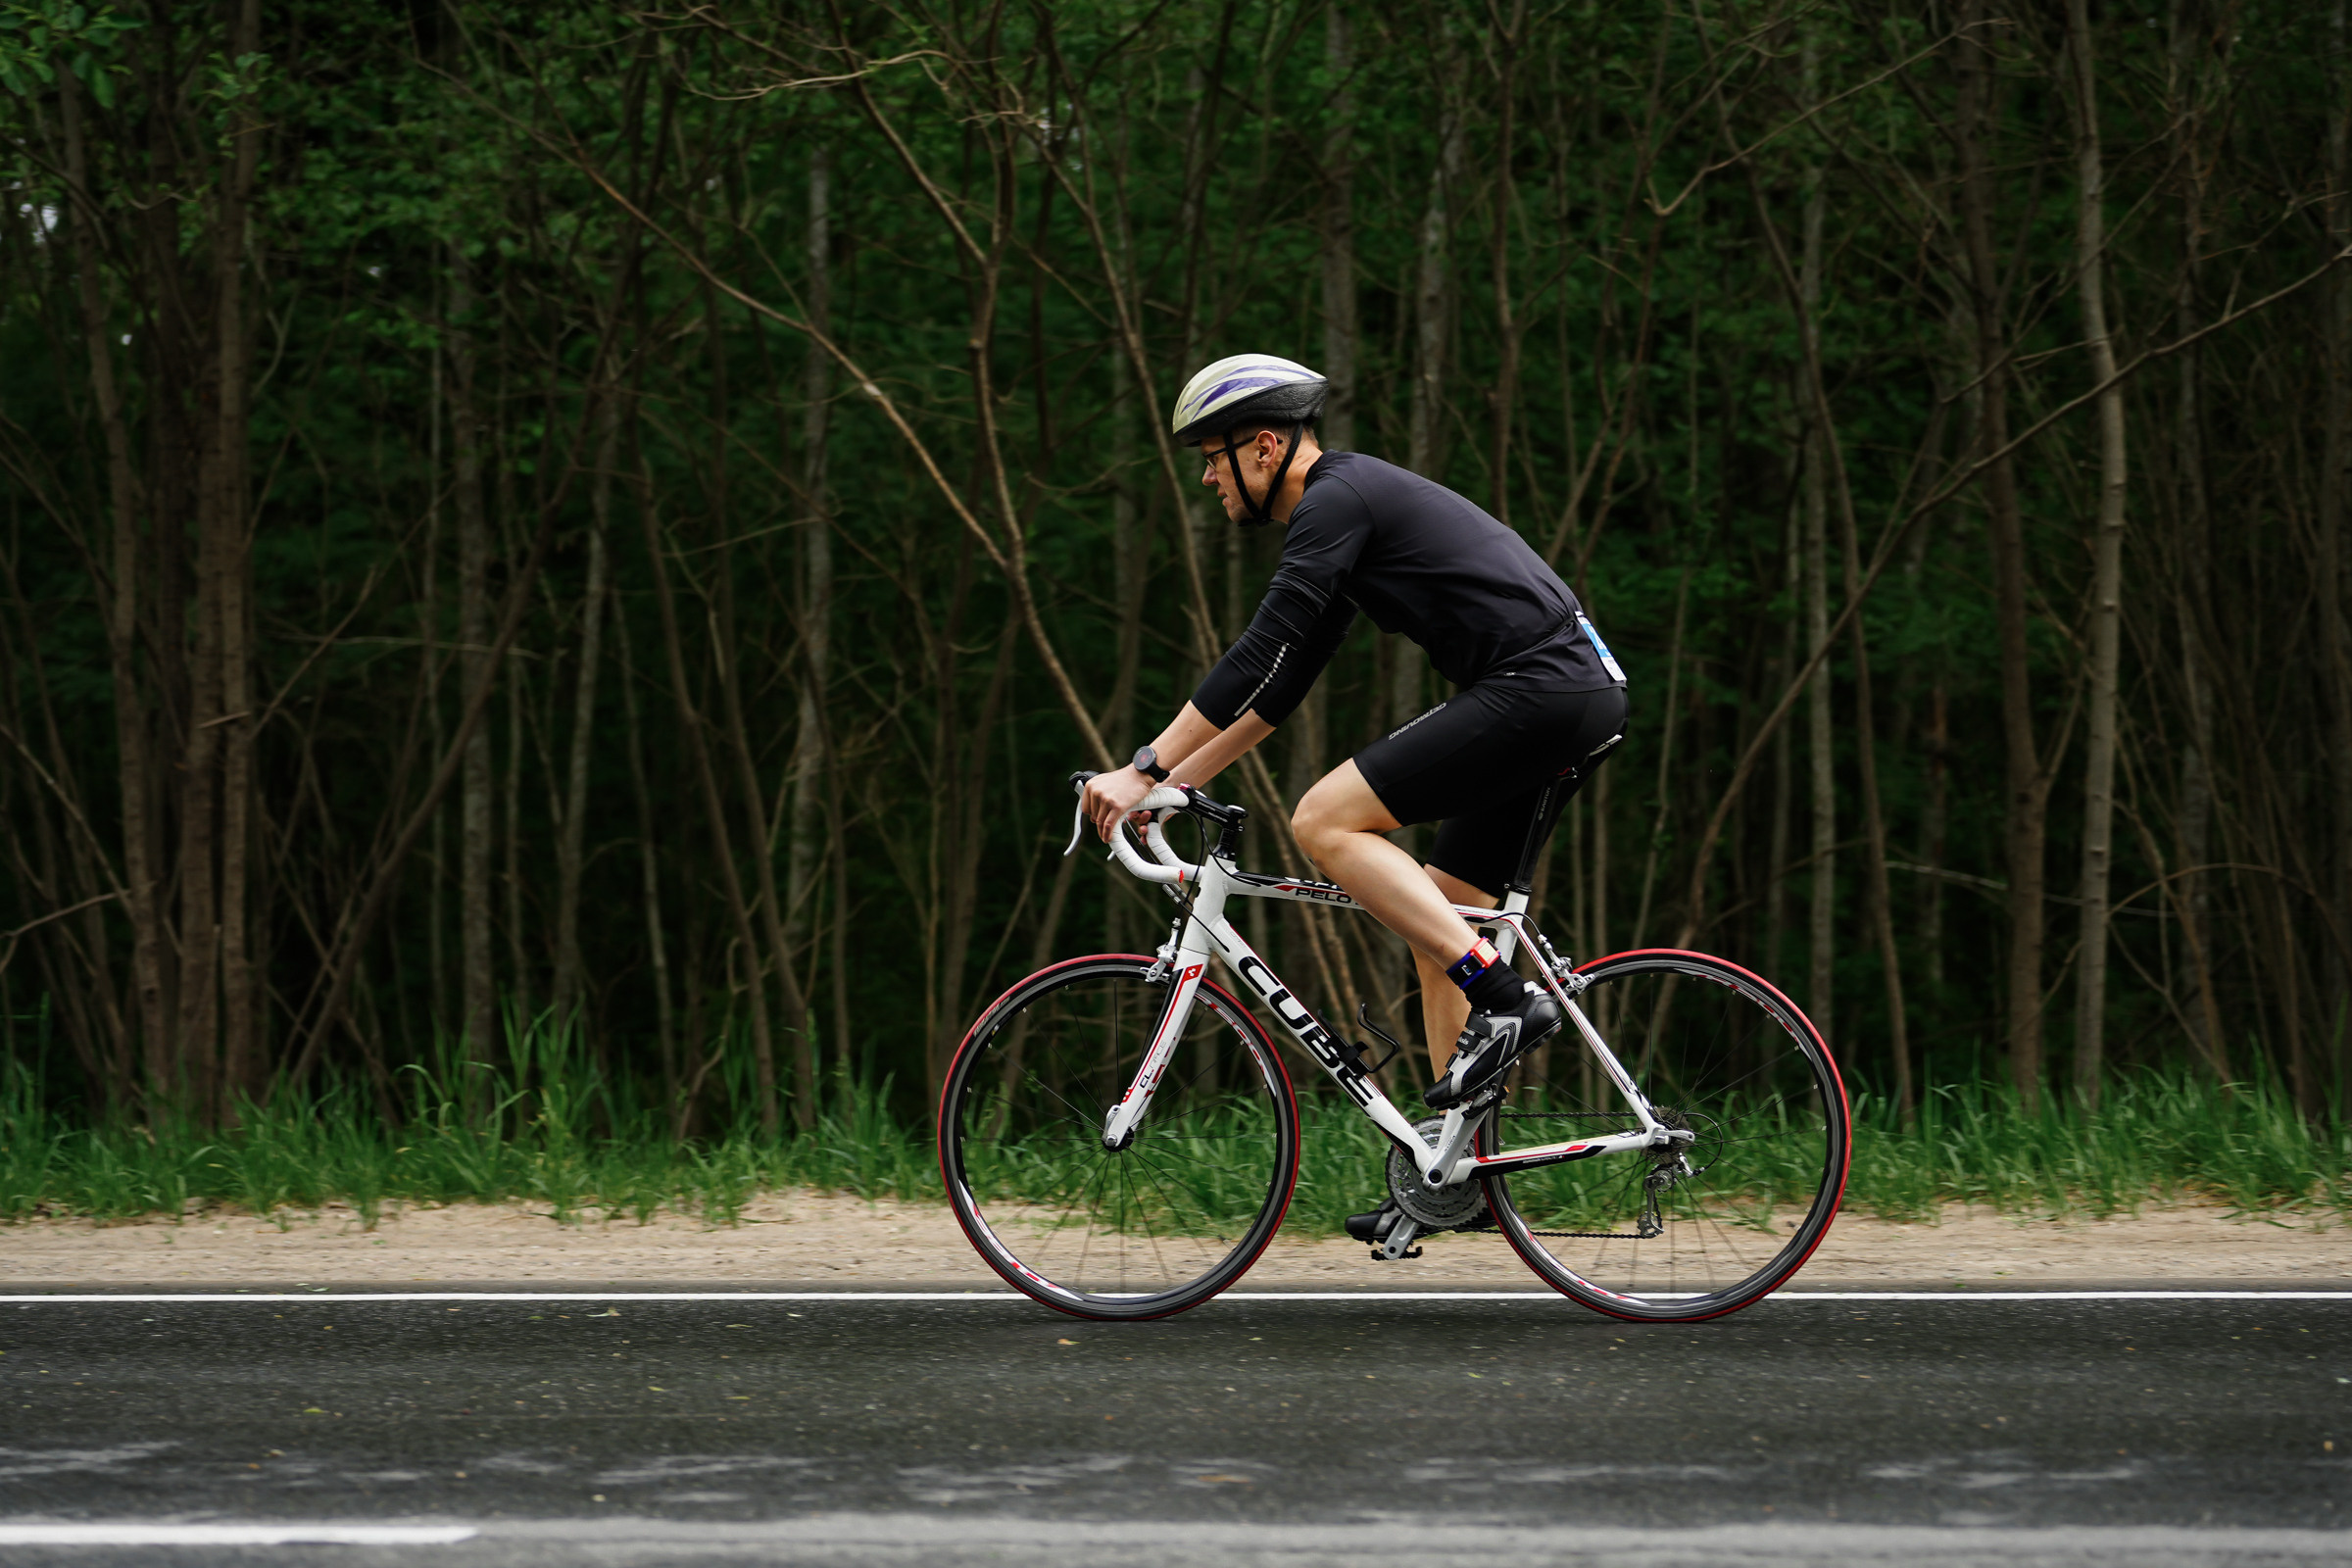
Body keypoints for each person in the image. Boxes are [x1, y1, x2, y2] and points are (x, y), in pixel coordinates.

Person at [1081, 352, 1629, 1243]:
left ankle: (1504, 998)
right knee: (1440, 916)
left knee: (1323, 818)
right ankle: (1454, 1175)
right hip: (1568, 692)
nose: (1209, 476)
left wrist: (1140, 768)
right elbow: (1276, 691)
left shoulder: (1336, 498)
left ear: (1266, 446)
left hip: (1545, 688)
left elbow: (1257, 650)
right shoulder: (1343, 516)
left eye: (1214, 457)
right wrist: (1178, 785)